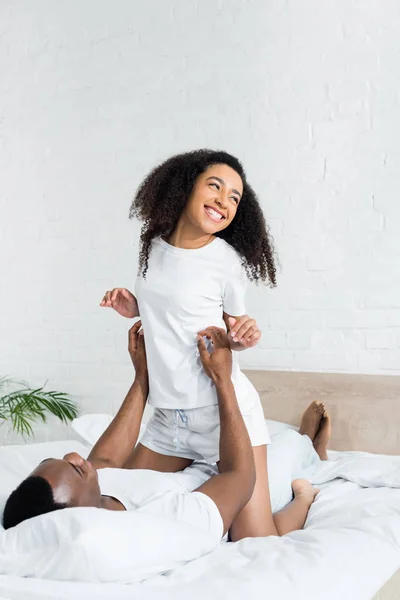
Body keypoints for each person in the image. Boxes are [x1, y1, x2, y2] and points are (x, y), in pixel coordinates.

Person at [100, 149, 280, 541]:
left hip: (226, 418)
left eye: (234, 197)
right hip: (169, 420)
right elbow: (167, 305)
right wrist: (135, 306)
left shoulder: (226, 262)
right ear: (186, 188)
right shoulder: (153, 246)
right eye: (215, 186)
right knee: (110, 506)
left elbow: (232, 331)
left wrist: (242, 337)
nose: (223, 201)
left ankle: (303, 495)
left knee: (255, 540)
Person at [2, 323, 325, 539]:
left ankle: (303, 443)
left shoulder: (94, 488)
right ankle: (307, 455)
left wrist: (142, 375)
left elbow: (102, 457)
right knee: (255, 538)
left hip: (190, 449)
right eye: (76, 468)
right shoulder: (161, 520)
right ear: (77, 514)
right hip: (225, 472)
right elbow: (238, 476)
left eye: (66, 459)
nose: (77, 456)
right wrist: (223, 381)